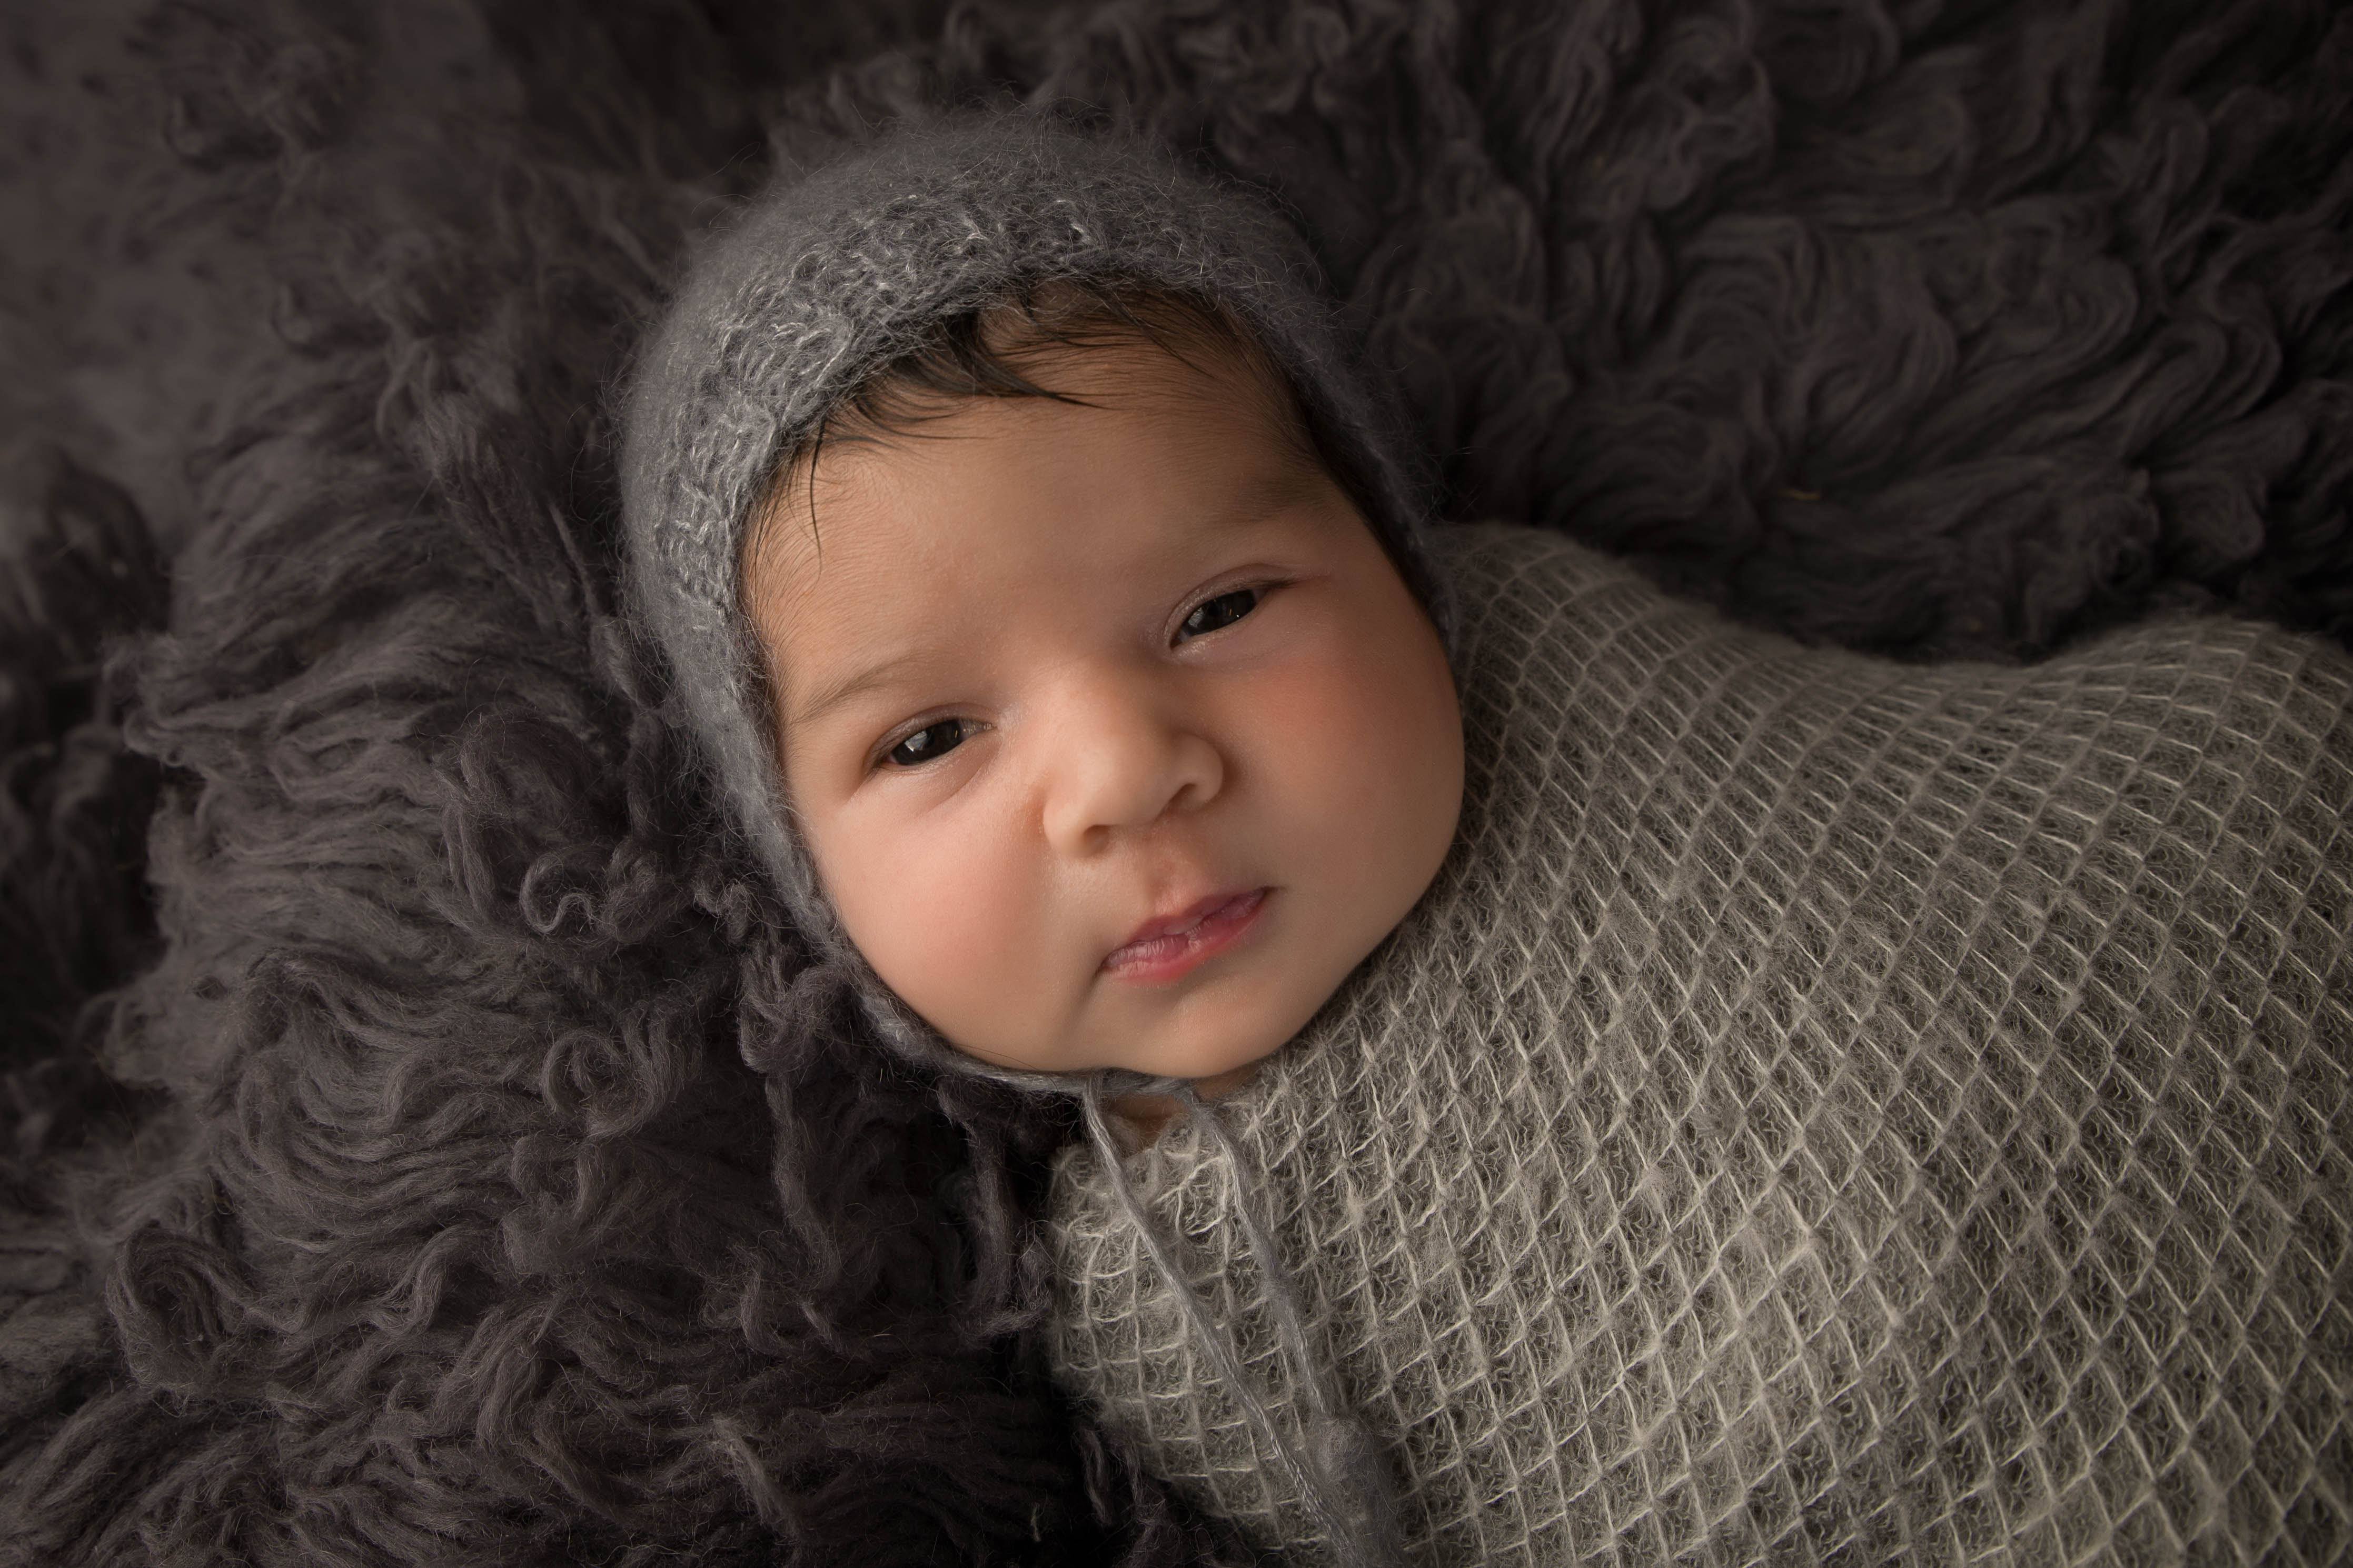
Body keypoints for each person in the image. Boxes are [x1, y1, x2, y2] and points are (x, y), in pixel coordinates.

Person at [623, 115, 2353, 1566]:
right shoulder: (1172, 1304)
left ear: (1396, 558)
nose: (1126, 775)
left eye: (1221, 604)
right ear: (799, 855)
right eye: (930, 736)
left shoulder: (1560, 651)